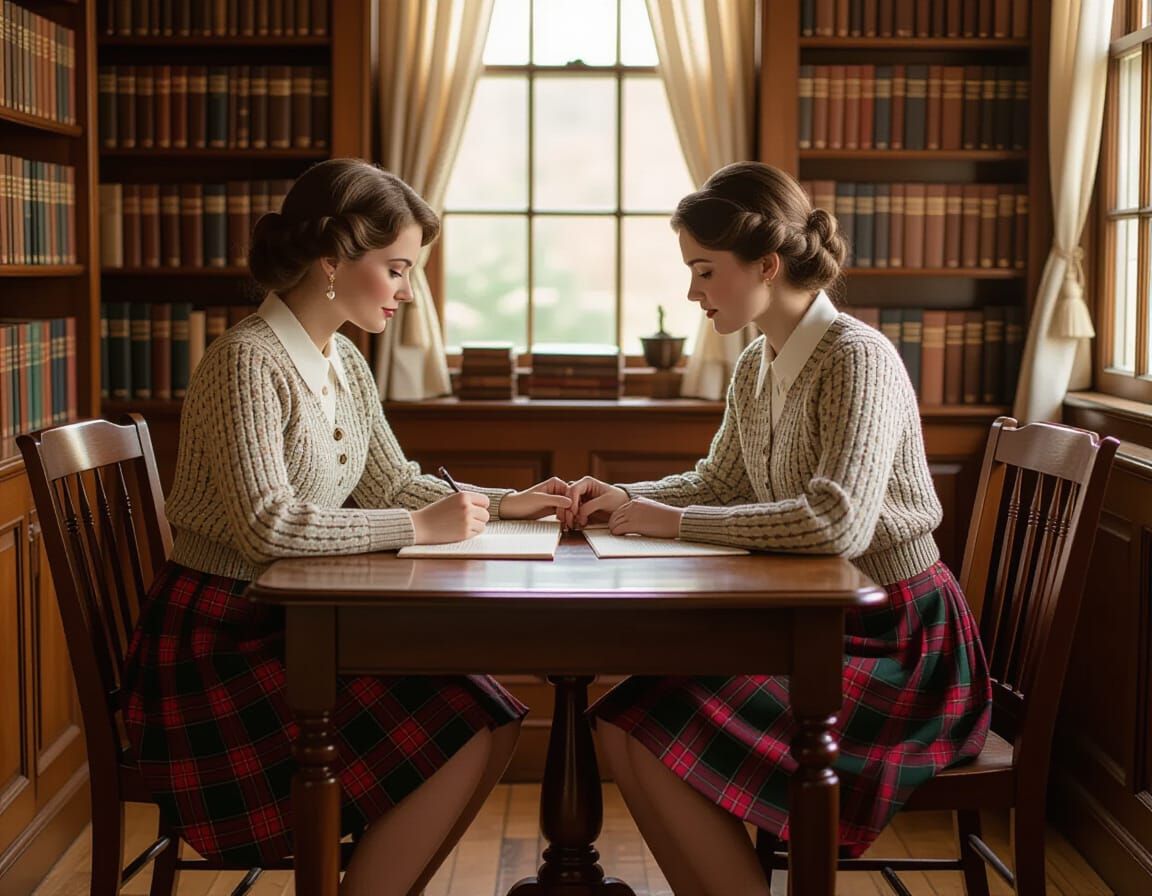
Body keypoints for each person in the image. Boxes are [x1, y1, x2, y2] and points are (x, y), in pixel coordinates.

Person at [122, 159, 570, 896]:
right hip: (220, 642)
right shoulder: (246, 362)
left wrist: (507, 501)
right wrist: (417, 529)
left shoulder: (346, 364)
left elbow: (392, 483)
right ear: (332, 261)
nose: (407, 291)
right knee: (469, 719)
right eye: (396, 268)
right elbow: (269, 527)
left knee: (491, 714)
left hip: (289, 621)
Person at [562, 161, 992, 896]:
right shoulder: (758, 362)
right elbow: (720, 481)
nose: (691, 293)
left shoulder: (858, 359)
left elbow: (836, 524)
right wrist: (625, 496)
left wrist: (674, 522)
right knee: (619, 721)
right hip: (819, 621)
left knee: (650, 722)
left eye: (704, 270)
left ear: (766, 264)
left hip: (901, 641)